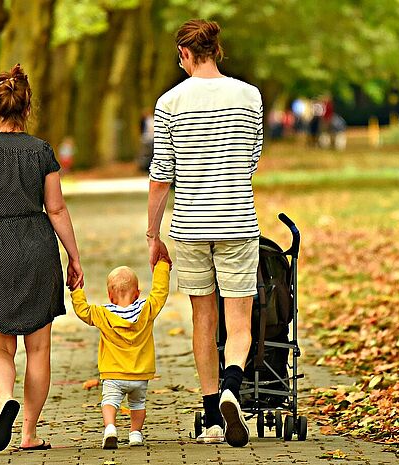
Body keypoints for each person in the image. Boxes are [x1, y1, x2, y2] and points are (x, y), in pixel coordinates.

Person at [146, 19, 263, 448]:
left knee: (202, 317)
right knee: (238, 319)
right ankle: (234, 384)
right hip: (237, 220)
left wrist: (152, 232)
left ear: (185, 55)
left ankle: (212, 415)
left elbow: (162, 175)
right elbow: (251, 160)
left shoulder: (169, 102)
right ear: (217, 50)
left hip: (190, 226)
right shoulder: (249, 96)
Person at [0, 63, 84, 452]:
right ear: (27, 108)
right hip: (36, 245)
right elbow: (57, 210)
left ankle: (4, 400)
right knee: (39, 349)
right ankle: (28, 433)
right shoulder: (41, 151)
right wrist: (74, 257)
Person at [70, 260, 170, 449]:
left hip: (113, 374)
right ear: (137, 293)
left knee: (109, 402)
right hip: (140, 375)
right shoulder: (146, 310)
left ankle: (110, 428)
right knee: (138, 404)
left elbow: (83, 311)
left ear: (109, 296)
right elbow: (160, 293)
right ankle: (135, 434)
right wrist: (162, 267)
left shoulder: (102, 314)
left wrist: (77, 290)